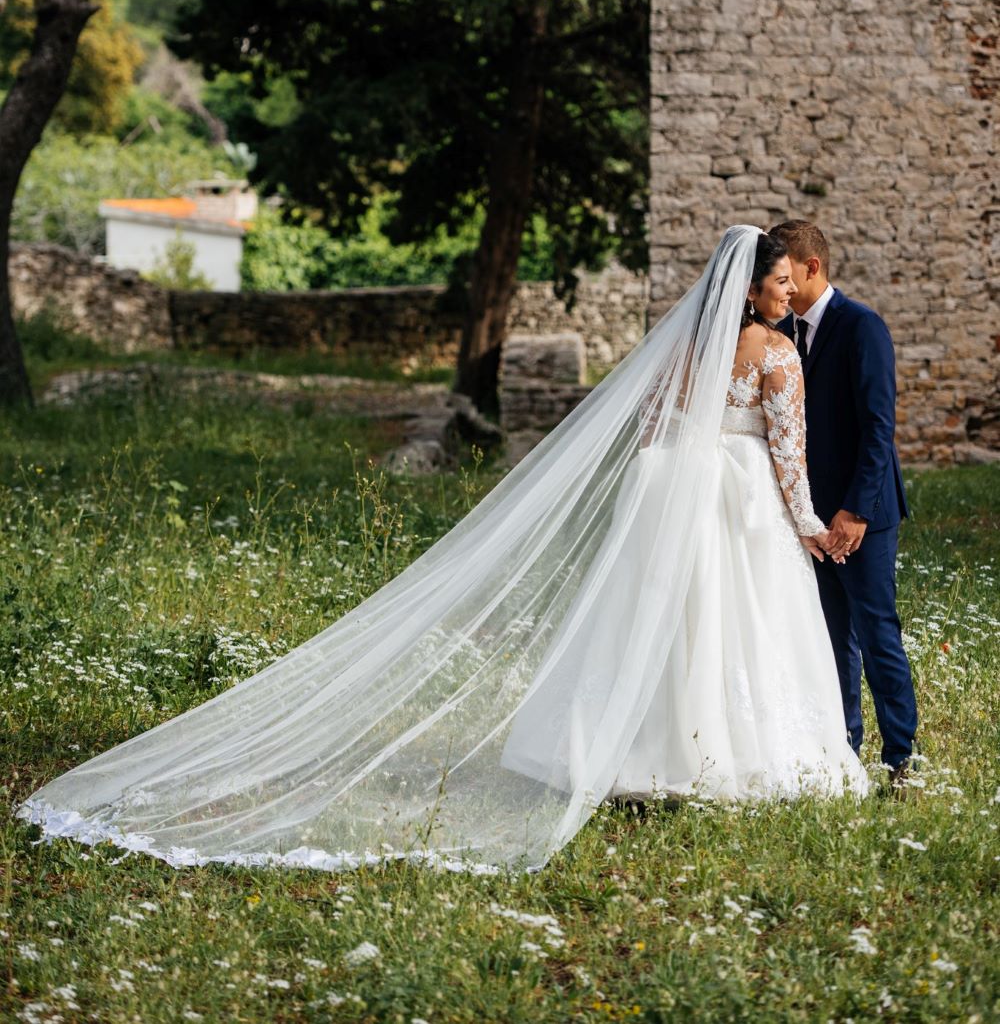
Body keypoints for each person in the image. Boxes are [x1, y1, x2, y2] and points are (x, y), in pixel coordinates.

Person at [17, 227, 864, 877]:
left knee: (663, 623)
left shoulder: (683, 349)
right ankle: (730, 757)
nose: (788, 295)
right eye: (780, 282)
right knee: (738, 626)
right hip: (743, 498)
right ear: (751, 288)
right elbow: (787, 460)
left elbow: (652, 427)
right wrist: (808, 529)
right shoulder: (779, 355)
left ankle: (633, 753)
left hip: (672, 491)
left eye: (792, 283)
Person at [770, 220, 917, 792]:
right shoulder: (781, 336)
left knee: (877, 632)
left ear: (811, 267)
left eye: (786, 274)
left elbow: (879, 429)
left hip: (863, 517)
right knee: (831, 637)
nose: (780, 287)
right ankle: (844, 749)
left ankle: (902, 756)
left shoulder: (862, 327)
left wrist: (854, 512)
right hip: (810, 518)